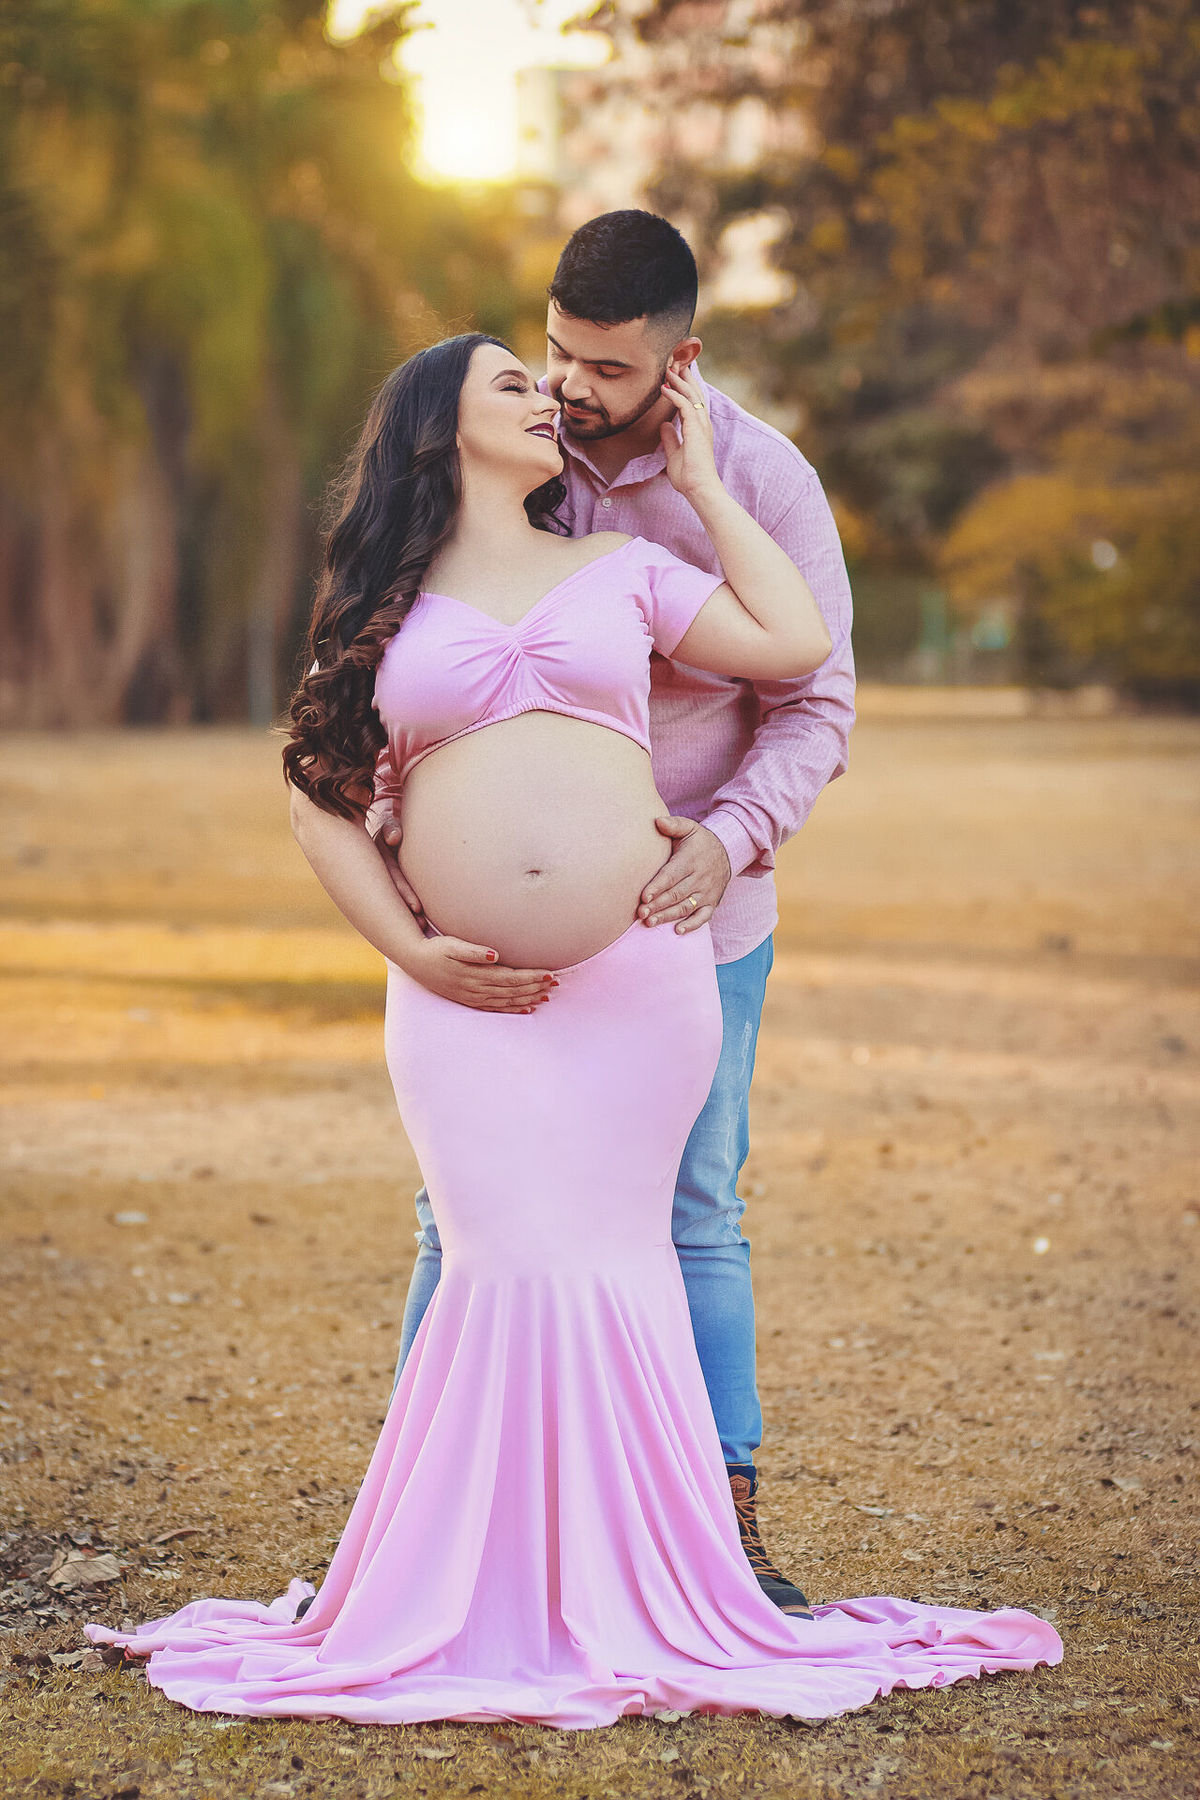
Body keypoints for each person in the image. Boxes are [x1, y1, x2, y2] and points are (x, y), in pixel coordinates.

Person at [84, 333, 1062, 1726]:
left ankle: (653, 1579)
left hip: (635, 989)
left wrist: (708, 480)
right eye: (510, 382)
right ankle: (467, 1586)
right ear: (440, 428)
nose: (543, 397)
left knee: (626, 1257)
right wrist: (410, 945)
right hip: (459, 1006)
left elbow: (792, 645)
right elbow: (314, 794)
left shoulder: (629, 572)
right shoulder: (386, 599)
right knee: (490, 1256)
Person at [376, 211, 854, 1614]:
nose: (571, 388)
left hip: (687, 919)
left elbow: (813, 700)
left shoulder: (762, 481)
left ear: (682, 357)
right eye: (554, 354)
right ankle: (428, 1536)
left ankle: (725, 1527)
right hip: (495, 951)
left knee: (695, 1210)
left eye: (603, 368)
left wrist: (729, 838)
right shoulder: (517, 455)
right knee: (451, 1218)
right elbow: (429, 653)